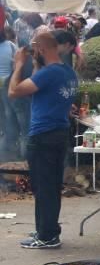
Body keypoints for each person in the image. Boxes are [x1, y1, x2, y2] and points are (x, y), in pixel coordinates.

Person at [9, 31, 78, 249]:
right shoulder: (67, 72)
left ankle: (47, 235)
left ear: (40, 50)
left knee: (43, 187)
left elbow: (13, 91)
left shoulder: (48, 74)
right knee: (50, 185)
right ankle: (45, 229)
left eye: (34, 50)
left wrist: (19, 65)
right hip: (59, 134)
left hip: (43, 136)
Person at [0, 27, 17, 161]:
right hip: (7, 85)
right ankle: (9, 145)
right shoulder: (11, 46)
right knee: (8, 114)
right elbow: (17, 64)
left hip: (6, 86)